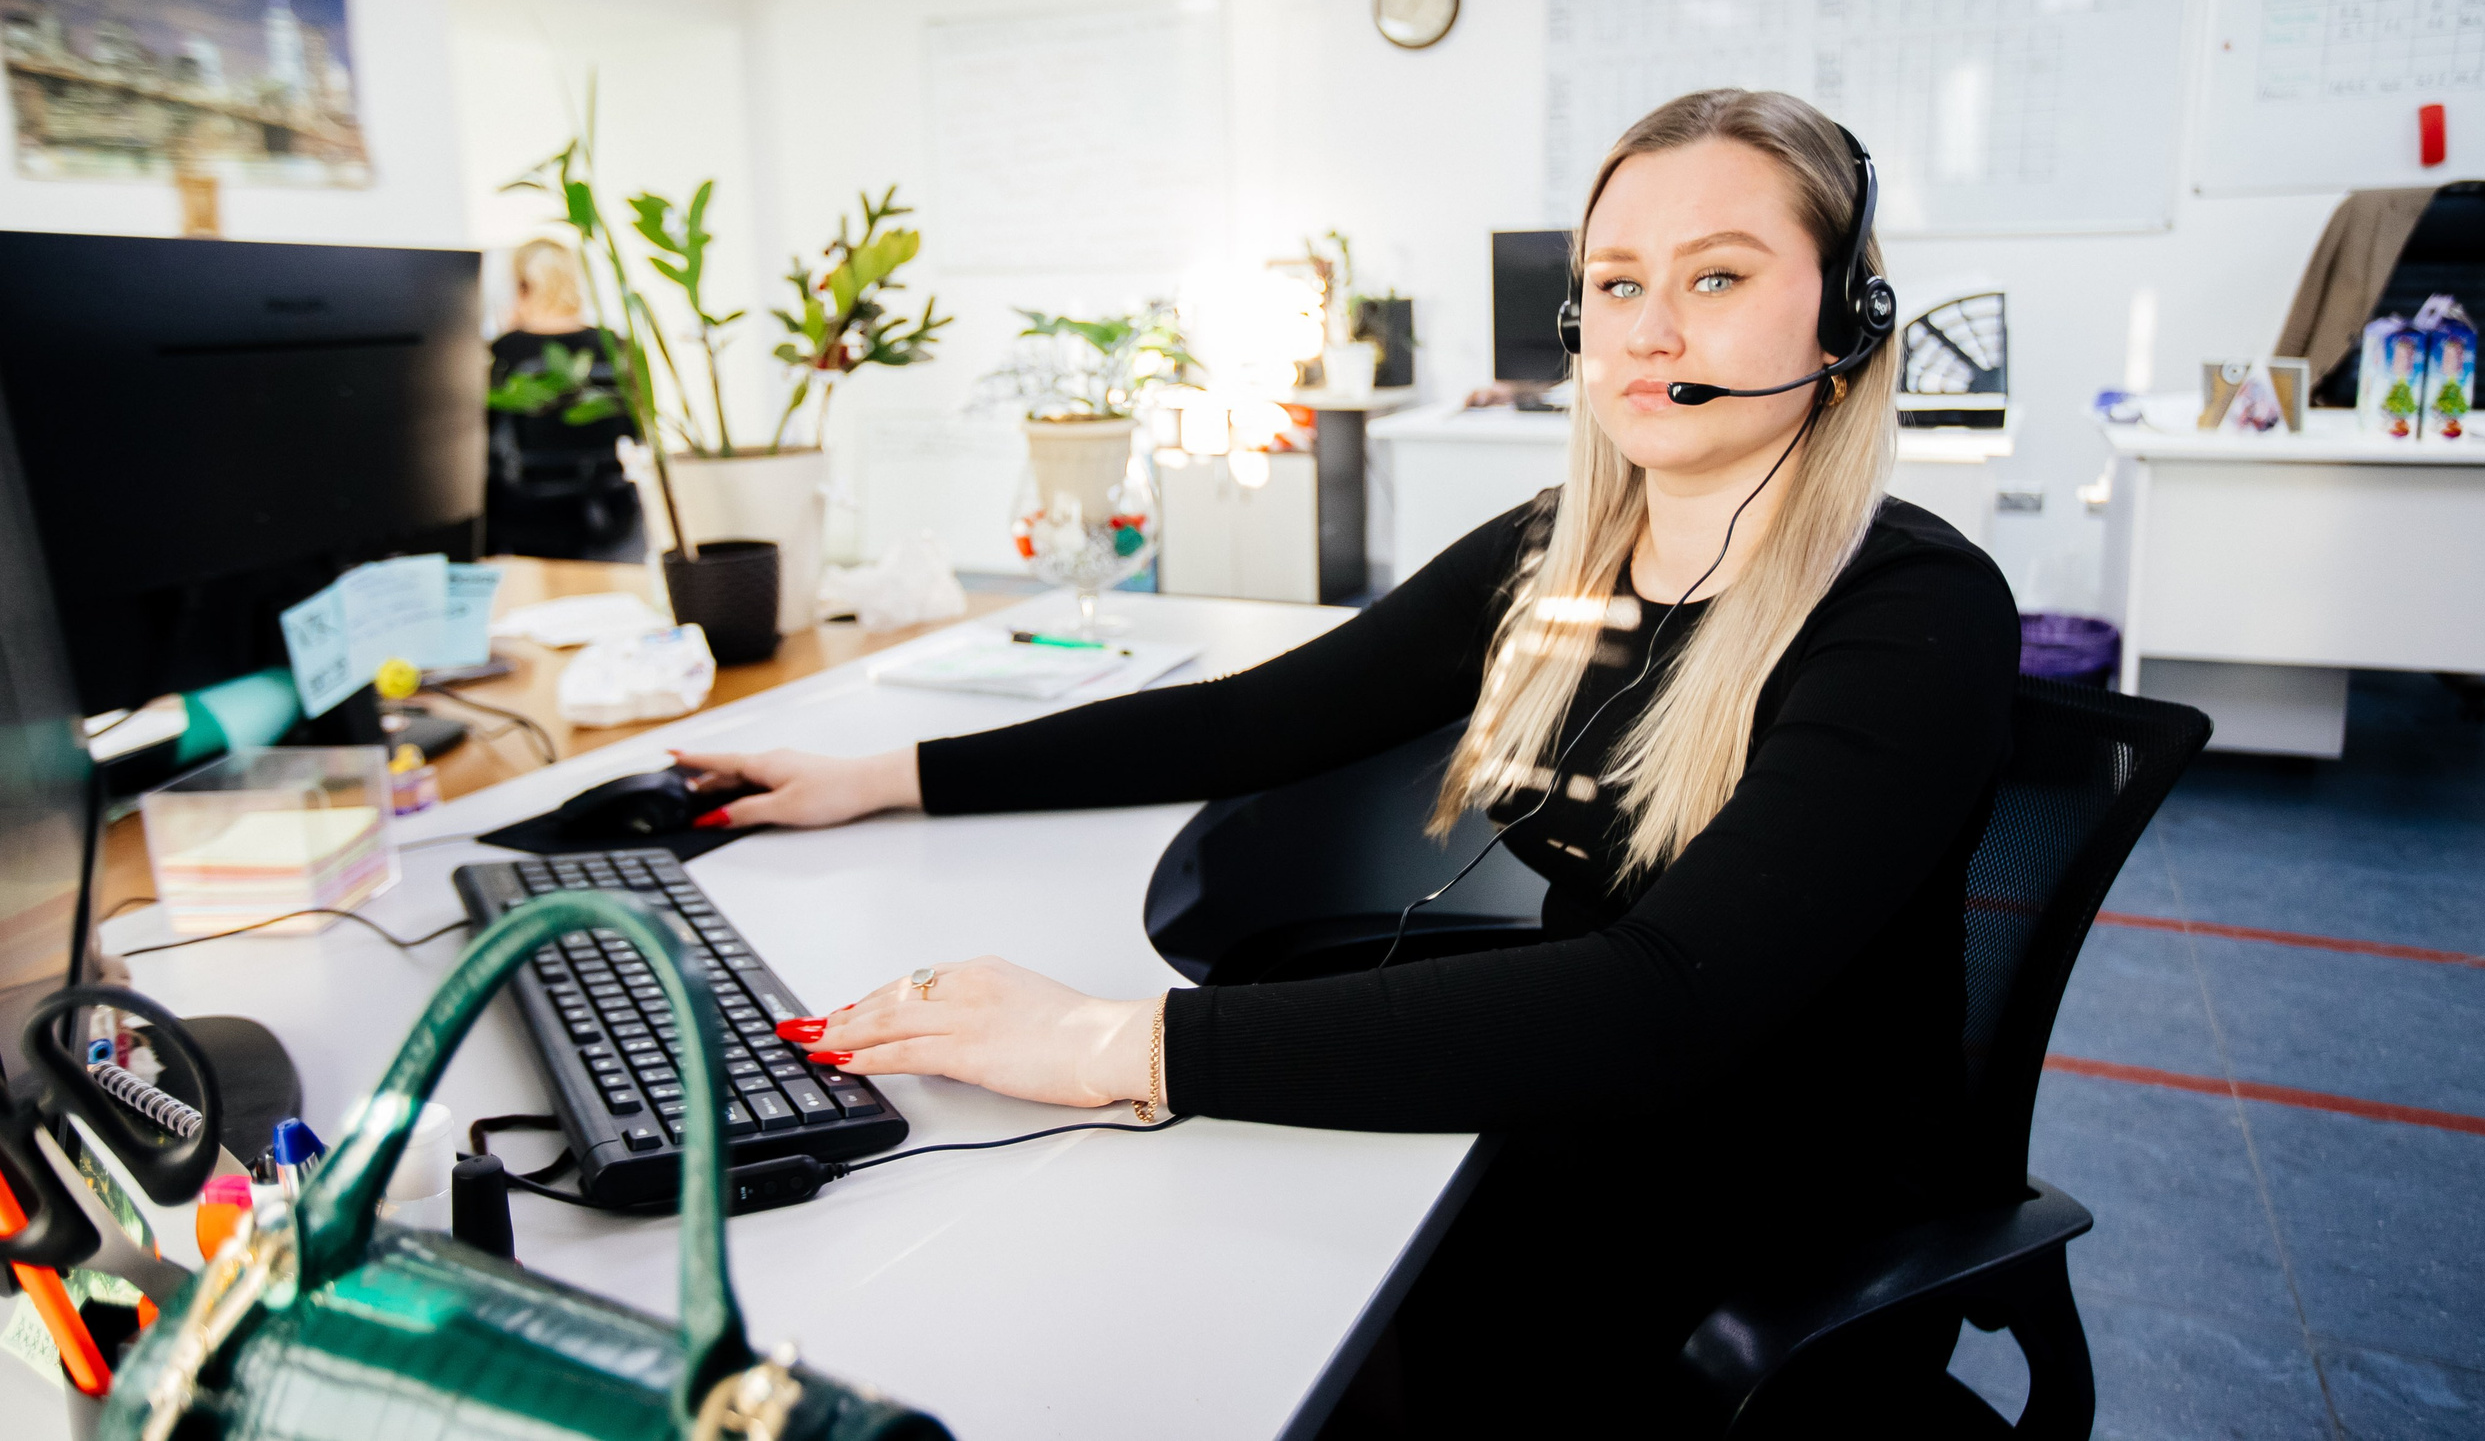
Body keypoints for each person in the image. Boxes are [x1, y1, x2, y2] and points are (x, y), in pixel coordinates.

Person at [678, 91, 2019, 1431]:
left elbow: (1664, 1001)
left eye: (1716, 275)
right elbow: (1255, 716)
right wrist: (882, 772)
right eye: (1616, 284)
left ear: (1846, 319)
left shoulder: (1914, 613)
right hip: (1574, 1115)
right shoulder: (1561, 549)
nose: (1649, 330)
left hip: (1767, 1225)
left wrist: (1111, 1037)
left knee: (1208, 1295)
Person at [485, 238, 642, 561]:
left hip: (525, 525)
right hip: (608, 517)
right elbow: (634, 430)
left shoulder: (505, 352)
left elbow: (482, 440)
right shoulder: (615, 346)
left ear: (521, 285)